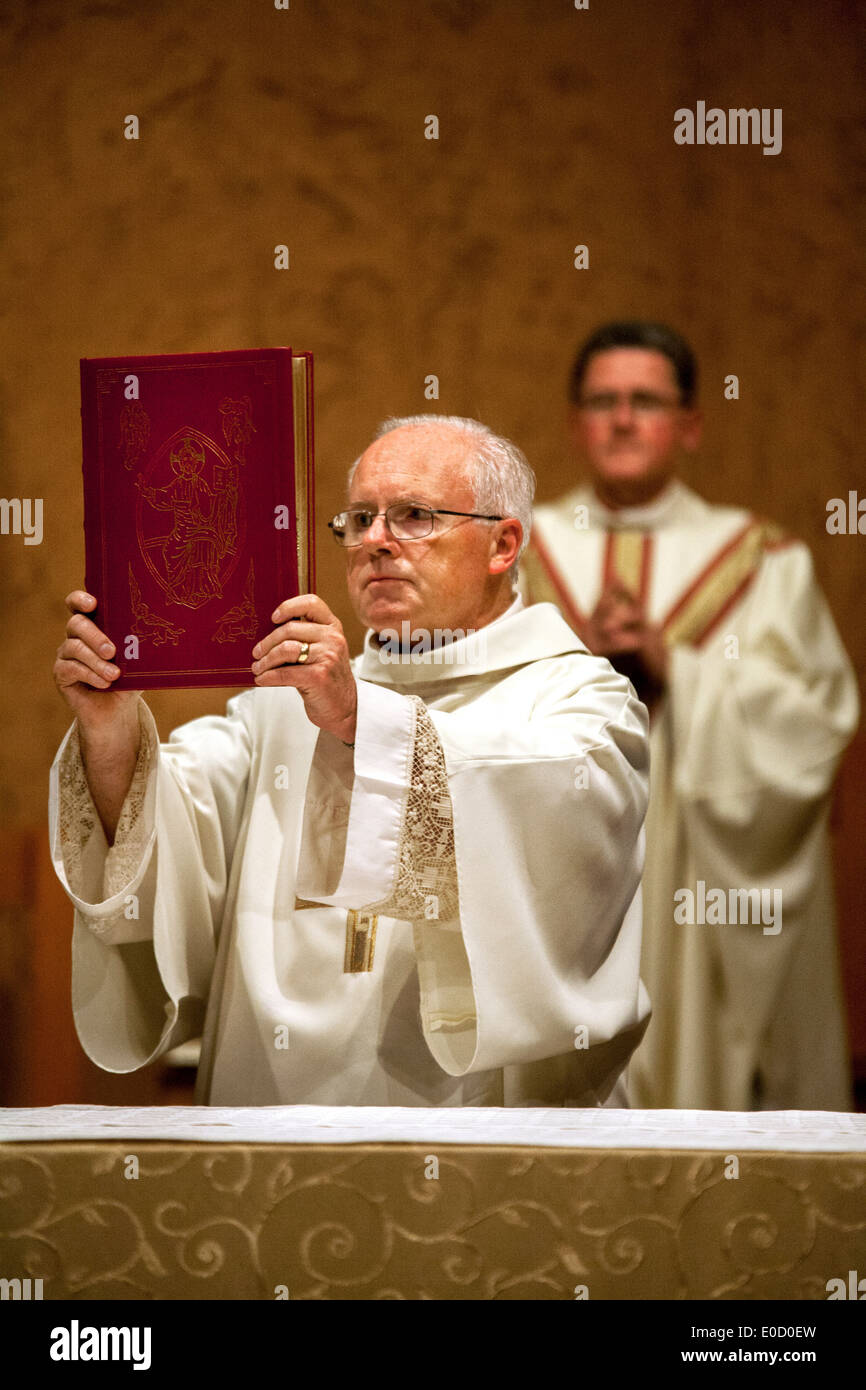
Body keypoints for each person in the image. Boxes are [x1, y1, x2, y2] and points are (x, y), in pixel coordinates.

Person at [50, 415, 651, 1108]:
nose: (375, 542)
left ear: (502, 543)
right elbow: (161, 828)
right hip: (274, 1123)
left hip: (477, 1141)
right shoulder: (280, 705)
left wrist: (360, 721)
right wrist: (110, 730)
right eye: (360, 519)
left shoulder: (581, 702)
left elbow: (536, 796)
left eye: (414, 516)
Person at [522, 322, 860, 1111]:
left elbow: (816, 724)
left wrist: (683, 670)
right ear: (575, 424)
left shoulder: (764, 559)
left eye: (646, 401)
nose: (623, 420)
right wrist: (576, 659)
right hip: (554, 877)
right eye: (603, 402)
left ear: (691, 425)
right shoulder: (515, 550)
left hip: (697, 897)